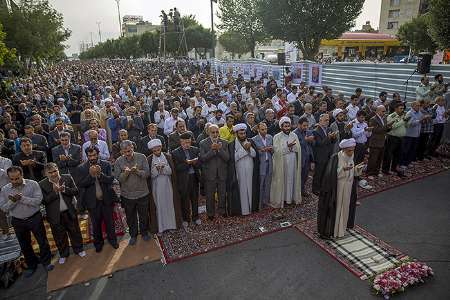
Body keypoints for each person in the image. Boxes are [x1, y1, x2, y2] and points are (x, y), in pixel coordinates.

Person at [0, 166, 54, 277]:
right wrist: (13, 201)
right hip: (18, 221)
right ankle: (31, 265)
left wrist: (22, 199)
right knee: (24, 244)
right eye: (12, 179)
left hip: (34, 218)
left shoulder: (33, 184)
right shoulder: (5, 189)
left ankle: (47, 262)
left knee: (42, 241)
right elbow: (4, 208)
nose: (15, 181)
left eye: (17, 178)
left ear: (22, 175)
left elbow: (38, 201)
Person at [317, 138, 365, 239]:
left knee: (345, 208)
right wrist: (343, 170)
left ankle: (342, 228)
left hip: (348, 188)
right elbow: (330, 175)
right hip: (337, 189)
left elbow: (352, 172)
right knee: (337, 208)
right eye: (349, 150)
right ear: (343, 150)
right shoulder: (336, 158)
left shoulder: (351, 156)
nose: (351, 152)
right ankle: (334, 230)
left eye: (353, 150)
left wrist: (357, 169)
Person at [39, 163, 86, 264]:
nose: (53, 174)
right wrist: (54, 192)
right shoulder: (42, 184)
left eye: (55, 171)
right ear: (46, 173)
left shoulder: (67, 178)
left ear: (58, 170)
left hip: (69, 211)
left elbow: (75, 191)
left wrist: (64, 189)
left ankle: (79, 249)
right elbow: (44, 201)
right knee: (59, 236)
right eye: (50, 172)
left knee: (75, 231)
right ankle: (64, 254)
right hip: (54, 215)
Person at [77, 146, 118, 252]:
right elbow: (81, 184)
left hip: (106, 200)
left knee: (109, 222)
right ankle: (98, 244)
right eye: (90, 156)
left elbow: (110, 179)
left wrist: (100, 175)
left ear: (98, 154)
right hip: (92, 202)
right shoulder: (81, 168)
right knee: (96, 225)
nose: (92, 157)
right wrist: (91, 176)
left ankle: (112, 240)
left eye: (94, 155)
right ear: (87, 156)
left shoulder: (106, 164)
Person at [114, 140, 150, 245]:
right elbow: (118, 178)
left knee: (143, 215)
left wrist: (137, 171)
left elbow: (147, 174)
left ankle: (144, 232)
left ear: (133, 148)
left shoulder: (142, 157)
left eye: (129, 151)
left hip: (142, 193)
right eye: (125, 152)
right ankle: (133, 235)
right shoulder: (118, 161)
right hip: (127, 195)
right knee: (130, 217)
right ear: (121, 152)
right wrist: (125, 173)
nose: (128, 154)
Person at [147, 139, 182, 233]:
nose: (156, 152)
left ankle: (171, 225)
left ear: (160, 148)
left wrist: (164, 168)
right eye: (154, 151)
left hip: (168, 184)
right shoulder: (149, 159)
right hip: (156, 186)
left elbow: (171, 171)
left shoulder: (168, 157)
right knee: (159, 205)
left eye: (158, 150)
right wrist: (156, 169)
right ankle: (161, 228)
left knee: (170, 204)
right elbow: (151, 175)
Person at [270, 117, 302, 208]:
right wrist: (287, 147)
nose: (287, 128)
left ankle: (291, 197)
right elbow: (277, 151)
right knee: (284, 179)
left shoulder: (294, 135)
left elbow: (298, 149)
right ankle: (284, 198)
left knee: (291, 179)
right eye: (285, 126)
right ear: (281, 127)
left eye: (288, 126)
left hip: (292, 161)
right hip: (282, 162)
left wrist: (292, 147)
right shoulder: (277, 137)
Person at [227, 124, 259, 216]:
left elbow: (254, 155)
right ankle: (244, 210)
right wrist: (244, 150)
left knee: (250, 187)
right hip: (239, 170)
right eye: (241, 134)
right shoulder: (232, 144)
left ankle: (252, 207)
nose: (243, 135)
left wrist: (249, 149)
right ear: (236, 134)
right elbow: (233, 159)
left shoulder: (250, 141)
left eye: (244, 133)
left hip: (250, 169)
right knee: (242, 189)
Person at [199, 124, 229, 220]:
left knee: (222, 194)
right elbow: (203, 158)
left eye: (217, 132)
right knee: (210, 195)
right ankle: (210, 213)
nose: (215, 134)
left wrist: (219, 149)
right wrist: (212, 150)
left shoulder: (224, 143)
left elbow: (227, 158)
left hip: (222, 173)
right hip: (209, 174)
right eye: (213, 132)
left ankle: (222, 211)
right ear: (208, 132)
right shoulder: (203, 143)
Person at [171, 133, 201, 227]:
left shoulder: (195, 150)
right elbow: (176, 168)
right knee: (184, 199)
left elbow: (200, 164)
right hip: (183, 179)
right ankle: (186, 219)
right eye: (185, 143)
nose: (187, 144)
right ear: (181, 142)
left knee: (195, 199)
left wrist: (195, 162)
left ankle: (195, 217)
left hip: (194, 178)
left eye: (188, 142)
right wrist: (187, 163)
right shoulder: (175, 152)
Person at [312, 114, 337, 195]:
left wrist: (333, 137)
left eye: (328, 120)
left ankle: (322, 186)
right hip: (320, 155)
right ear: (320, 121)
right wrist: (328, 137)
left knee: (325, 172)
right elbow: (319, 144)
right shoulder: (316, 131)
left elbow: (333, 142)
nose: (327, 121)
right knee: (318, 173)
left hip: (328, 154)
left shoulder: (329, 129)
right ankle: (315, 189)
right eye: (325, 120)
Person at [251, 122, 273, 208]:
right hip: (261, 164)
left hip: (269, 163)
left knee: (268, 184)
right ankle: (259, 203)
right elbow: (254, 153)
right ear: (258, 130)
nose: (265, 131)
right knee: (260, 184)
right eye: (262, 129)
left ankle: (266, 201)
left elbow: (273, 149)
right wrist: (262, 150)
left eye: (266, 129)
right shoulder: (254, 139)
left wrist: (271, 149)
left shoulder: (270, 137)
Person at [382, 103, 407, 177]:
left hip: (401, 138)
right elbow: (392, 126)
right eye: (400, 108)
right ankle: (385, 169)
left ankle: (394, 168)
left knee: (398, 154)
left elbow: (406, 126)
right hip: (393, 137)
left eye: (403, 108)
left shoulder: (403, 116)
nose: (402, 110)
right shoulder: (391, 116)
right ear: (396, 109)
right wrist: (403, 120)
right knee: (389, 154)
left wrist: (406, 121)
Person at [293, 117, 315, 197]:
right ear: (299, 125)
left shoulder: (308, 132)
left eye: (307, 126)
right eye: (304, 125)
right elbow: (295, 145)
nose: (306, 127)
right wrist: (305, 140)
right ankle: (296, 192)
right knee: (298, 176)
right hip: (299, 158)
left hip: (307, 157)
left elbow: (313, 144)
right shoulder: (294, 133)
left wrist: (311, 140)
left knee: (305, 175)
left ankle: (302, 190)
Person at [366, 105, 390, 178]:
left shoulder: (384, 118)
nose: (384, 113)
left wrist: (389, 127)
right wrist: (386, 127)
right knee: (373, 159)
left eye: (385, 111)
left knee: (379, 158)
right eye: (383, 111)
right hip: (375, 142)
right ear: (378, 111)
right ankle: (369, 173)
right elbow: (376, 130)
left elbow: (385, 129)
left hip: (382, 141)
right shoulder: (373, 119)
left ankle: (376, 171)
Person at [400, 101, 423, 168]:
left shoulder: (420, 113)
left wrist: (424, 120)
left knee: (412, 150)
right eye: (417, 105)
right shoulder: (409, 113)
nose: (419, 107)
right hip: (409, 135)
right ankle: (403, 163)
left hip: (416, 134)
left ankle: (408, 162)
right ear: (413, 106)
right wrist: (419, 121)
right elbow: (409, 124)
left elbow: (420, 121)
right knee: (406, 149)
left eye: (419, 106)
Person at [0, 154, 12, 240]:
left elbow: (6, 174)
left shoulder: (6, 161)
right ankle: (6, 231)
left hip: (6, 190)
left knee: (10, 210)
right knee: (0, 214)